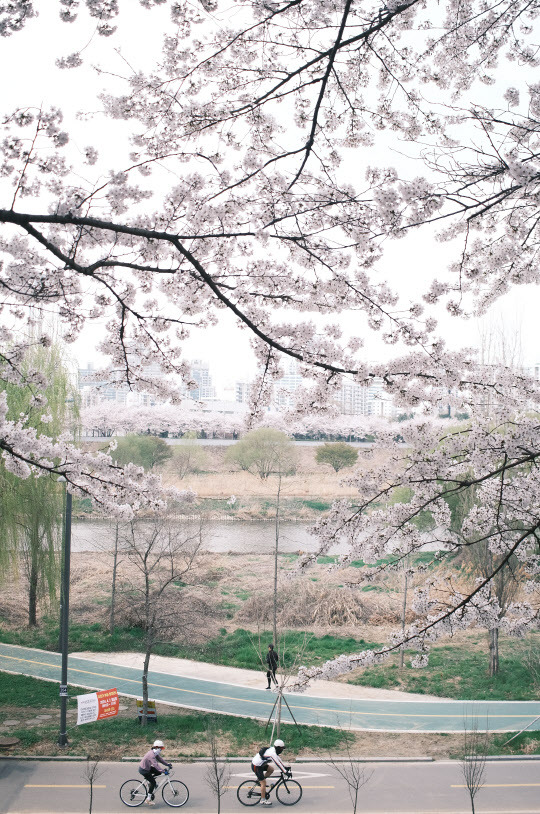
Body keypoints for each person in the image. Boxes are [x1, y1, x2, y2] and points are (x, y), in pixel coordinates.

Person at [251, 738, 289, 806]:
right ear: (278, 748)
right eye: (281, 748)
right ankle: (263, 800)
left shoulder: (274, 750)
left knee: (271, 769)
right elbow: (277, 763)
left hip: (260, 765)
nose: (282, 750)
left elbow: (278, 760)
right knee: (263, 783)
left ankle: (261, 780)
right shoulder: (272, 753)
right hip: (256, 766)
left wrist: (285, 767)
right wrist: (285, 771)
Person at [138, 739, 172, 806]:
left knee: (158, 773)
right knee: (154, 782)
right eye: (161, 748)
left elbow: (160, 759)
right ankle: (148, 799)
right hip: (144, 770)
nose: (161, 749)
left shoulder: (155, 753)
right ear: (156, 747)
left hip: (147, 768)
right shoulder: (151, 755)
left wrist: (167, 764)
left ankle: (150, 782)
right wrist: (163, 771)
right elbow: (155, 765)